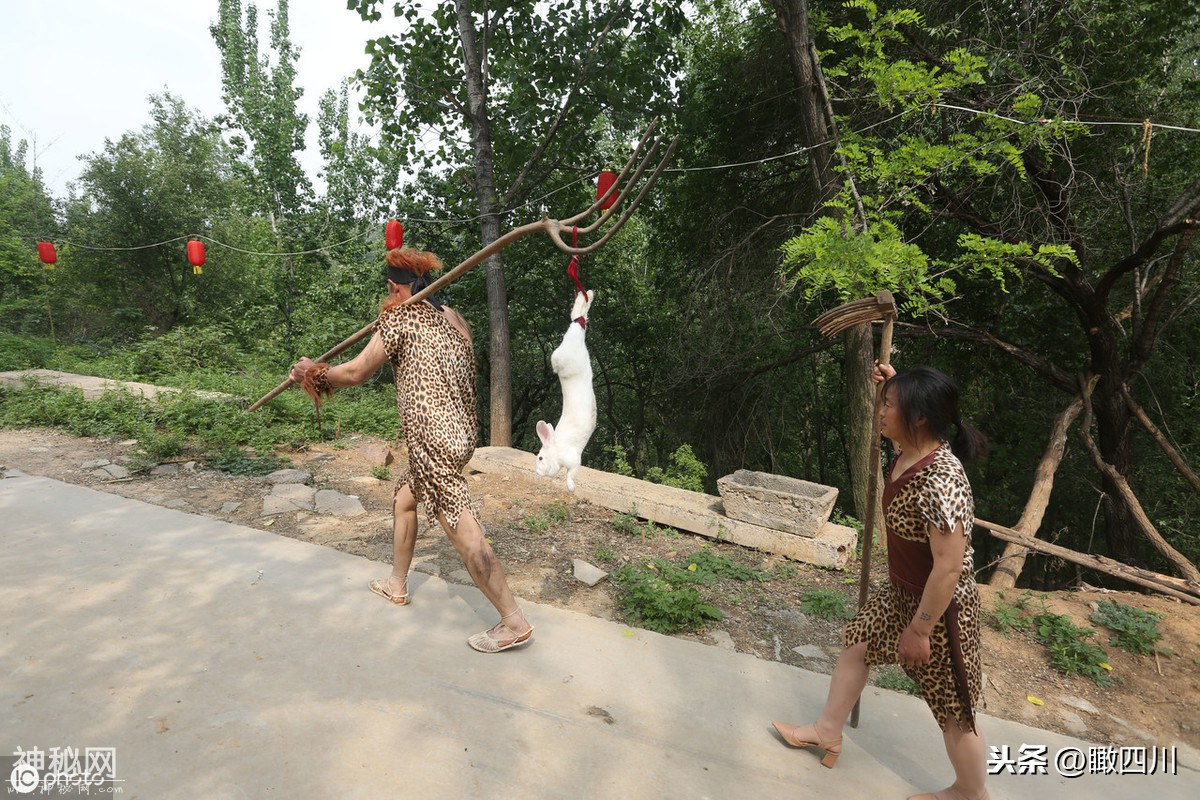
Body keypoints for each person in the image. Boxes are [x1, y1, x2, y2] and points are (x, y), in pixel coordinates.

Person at [289, 246, 534, 653]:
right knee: (405, 499)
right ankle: (397, 584)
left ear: (394, 286)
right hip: (460, 436)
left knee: (465, 533)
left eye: (389, 292)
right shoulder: (456, 320)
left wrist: (312, 372)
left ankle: (513, 621)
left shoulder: (399, 316)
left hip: (432, 442)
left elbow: (355, 372)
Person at [771, 362, 990, 800]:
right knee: (858, 643)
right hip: (902, 595)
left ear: (919, 417)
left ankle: (971, 793)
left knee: (954, 713)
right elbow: (913, 399)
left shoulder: (942, 481)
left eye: (890, 406)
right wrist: (893, 381)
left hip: (941, 612)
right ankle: (827, 732)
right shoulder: (911, 449)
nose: (881, 412)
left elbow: (947, 569)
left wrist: (921, 629)